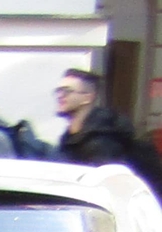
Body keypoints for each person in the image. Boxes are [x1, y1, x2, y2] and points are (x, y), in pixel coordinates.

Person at [55, 67, 162, 195]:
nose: (60, 96)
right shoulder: (70, 138)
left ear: (87, 97)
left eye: (67, 91)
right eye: (59, 90)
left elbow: (106, 193)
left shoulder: (104, 142)